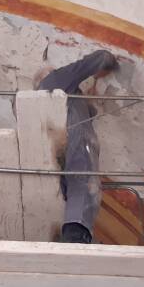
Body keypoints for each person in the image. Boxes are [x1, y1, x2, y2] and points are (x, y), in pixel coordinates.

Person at [37, 49, 119, 244]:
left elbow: (88, 112)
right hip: (75, 138)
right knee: (83, 180)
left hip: (52, 146)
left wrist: (88, 99)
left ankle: (70, 232)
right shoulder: (54, 80)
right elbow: (102, 58)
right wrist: (104, 66)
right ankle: (76, 234)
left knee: (66, 189)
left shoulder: (56, 101)